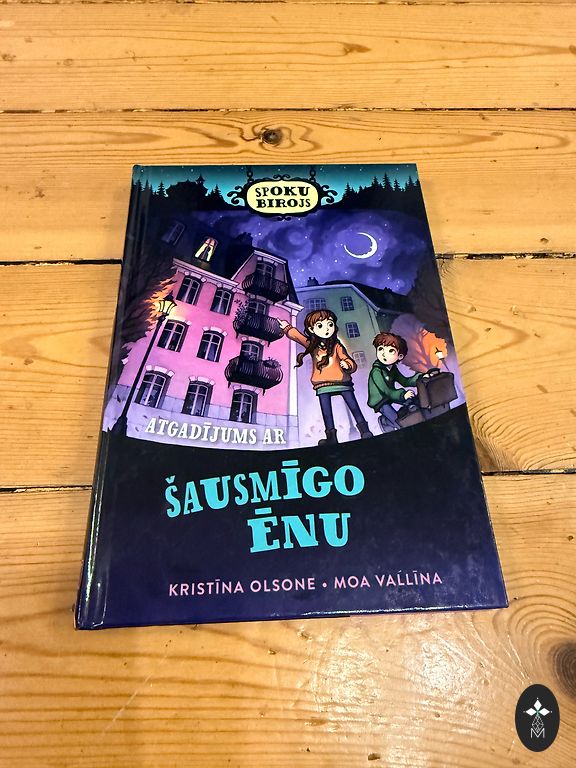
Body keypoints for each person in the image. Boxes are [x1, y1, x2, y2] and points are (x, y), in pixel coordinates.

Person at [278, 310, 373, 445]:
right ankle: (331, 437)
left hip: (342, 381)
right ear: (311, 329)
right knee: (326, 411)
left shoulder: (337, 346)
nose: (327, 329)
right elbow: (298, 337)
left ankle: (365, 431)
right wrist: (287, 327)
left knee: (354, 407)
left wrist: (347, 365)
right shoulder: (313, 346)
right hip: (322, 383)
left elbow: (348, 360)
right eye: (320, 326)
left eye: (330, 324)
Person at [367, 332, 422, 433]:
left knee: (412, 406)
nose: (383, 353)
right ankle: (385, 421)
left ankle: (387, 420)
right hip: (380, 401)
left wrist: (420, 376)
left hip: (391, 396)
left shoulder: (392, 369)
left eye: (390, 351)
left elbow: (405, 381)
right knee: (400, 423)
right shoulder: (376, 371)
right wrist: (402, 395)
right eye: (380, 349)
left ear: (400, 356)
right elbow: (386, 391)